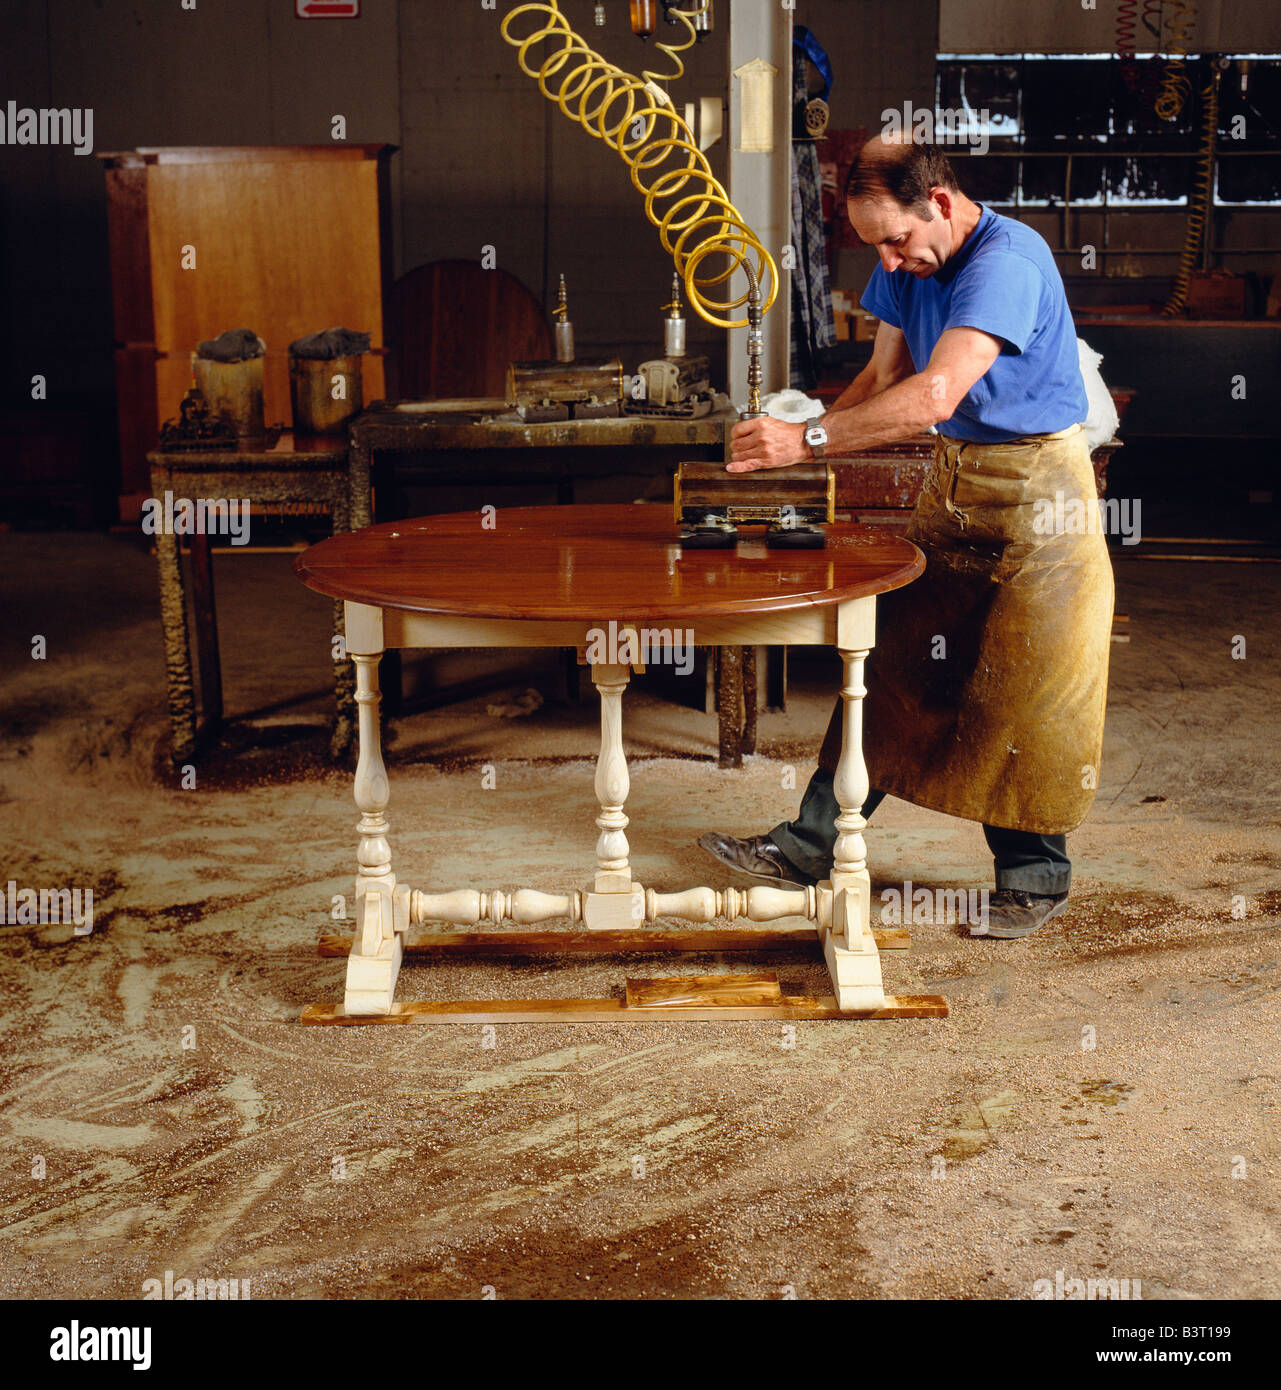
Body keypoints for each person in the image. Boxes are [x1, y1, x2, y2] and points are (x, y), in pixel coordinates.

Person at [699, 134, 1115, 939]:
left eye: (896, 240)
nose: (887, 262)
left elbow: (932, 392)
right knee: (886, 668)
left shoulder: (1005, 261)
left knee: (1023, 690)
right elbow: (881, 381)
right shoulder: (903, 263)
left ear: (944, 205)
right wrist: (797, 429)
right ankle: (804, 847)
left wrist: (807, 444)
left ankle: (1034, 877)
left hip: (1039, 494)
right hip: (955, 481)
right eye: (872, 246)